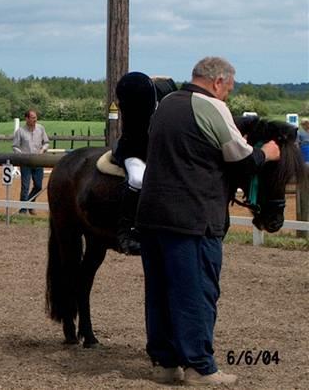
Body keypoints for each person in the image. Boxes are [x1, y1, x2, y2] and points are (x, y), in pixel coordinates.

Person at [136, 56, 281, 386]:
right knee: (195, 292)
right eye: (228, 88)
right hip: (193, 218)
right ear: (218, 82)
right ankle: (200, 366)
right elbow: (241, 160)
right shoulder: (211, 107)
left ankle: (165, 363)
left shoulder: (166, 105)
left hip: (152, 215)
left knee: (159, 292)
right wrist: (267, 154)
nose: (227, 94)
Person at [113, 72, 177, 255]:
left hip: (156, 152)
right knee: (138, 179)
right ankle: (126, 232)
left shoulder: (167, 102)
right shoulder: (137, 103)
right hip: (134, 150)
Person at [12, 109, 49, 214]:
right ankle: (23, 210)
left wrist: (42, 150)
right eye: (32, 118)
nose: (35, 120)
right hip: (26, 162)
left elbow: (46, 142)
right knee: (25, 186)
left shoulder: (41, 129)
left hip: (38, 162)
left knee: (38, 186)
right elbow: (15, 146)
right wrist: (23, 155)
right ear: (26, 118)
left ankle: (30, 202)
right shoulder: (20, 131)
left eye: (35, 117)